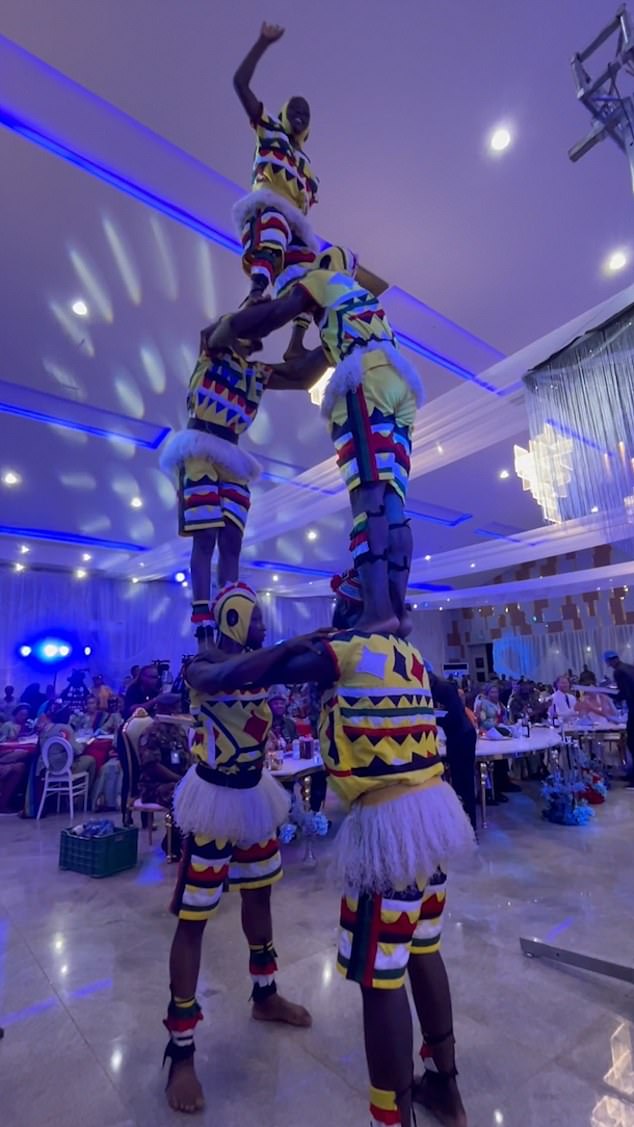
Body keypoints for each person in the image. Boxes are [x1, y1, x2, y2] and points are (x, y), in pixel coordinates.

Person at [207, 572, 473, 1127]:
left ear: (348, 610)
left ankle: (392, 1118)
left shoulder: (346, 650)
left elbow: (262, 668)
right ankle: (445, 1088)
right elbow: (451, 703)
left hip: (388, 827)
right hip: (432, 818)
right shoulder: (409, 654)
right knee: (423, 951)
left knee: (380, 976)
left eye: (335, 605)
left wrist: (207, 670)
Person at [215, 246, 425, 633]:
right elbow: (304, 373)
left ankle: (378, 612)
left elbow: (273, 315)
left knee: (367, 501)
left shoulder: (322, 280)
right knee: (394, 503)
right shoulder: (355, 308)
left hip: (367, 383)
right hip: (401, 385)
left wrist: (231, 329)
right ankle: (399, 612)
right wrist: (255, 373)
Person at [163, 583, 312, 1114]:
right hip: (213, 803)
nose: (264, 628)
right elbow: (229, 675)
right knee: (195, 917)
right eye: (256, 620)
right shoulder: (202, 666)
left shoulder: (261, 664)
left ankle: (265, 994)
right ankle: (180, 1052)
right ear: (233, 618)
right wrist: (285, 651)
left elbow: (289, 666)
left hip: (254, 798)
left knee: (259, 897)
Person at [160, 311, 324, 631]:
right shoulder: (212, 352)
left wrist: (325, 340)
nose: (248, 342)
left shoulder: (256, 372)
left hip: (233, 457)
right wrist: (278, 302)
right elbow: (230, 324)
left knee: (232, 541)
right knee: (205, 536)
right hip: (199, 448)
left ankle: (228, 607)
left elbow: (302, 376)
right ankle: (202, 614)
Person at [232, 20, 318, 364]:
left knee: (315, 276)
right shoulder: (269, 129)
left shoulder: (308, 167)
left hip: (295, 226)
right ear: (284, 112)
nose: (299, 114)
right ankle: (255, 295)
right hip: (268, 212)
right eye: (295, 108)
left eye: (305, 113)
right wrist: (262, 43)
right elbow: (240, 83)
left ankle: (296, 342)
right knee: (276, 226)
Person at [428, 671, 477, 833]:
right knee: (460, 782)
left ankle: (468, 826)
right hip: (460, 736)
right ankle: (464, 824)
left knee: (464, 782)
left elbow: (453, 717)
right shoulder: (442, 688)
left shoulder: (445, 690)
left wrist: (430, 718)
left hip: (461, 737)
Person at [36, 703, 97, 794]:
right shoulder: (65, 728)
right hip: (61, 768)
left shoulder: (44, 728)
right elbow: (77, 750)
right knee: (90, 760)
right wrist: (84, 744)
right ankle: (83, 798)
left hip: (45, 768)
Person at [137, 719, 190, 807]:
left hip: (179, 781)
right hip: (154, 786)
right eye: (173, 705)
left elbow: (188, 757)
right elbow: (152, 766)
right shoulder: (151, 733)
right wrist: (180, 779)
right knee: (186, 795)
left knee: (201, 791)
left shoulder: (179, 731)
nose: (178, 707)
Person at [604, 651, 634, 788]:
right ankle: (630, 774)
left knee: (632, 743)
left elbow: (623, 694)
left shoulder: (619, 672)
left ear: (609, 662)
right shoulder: (629, 667)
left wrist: (606, 693)